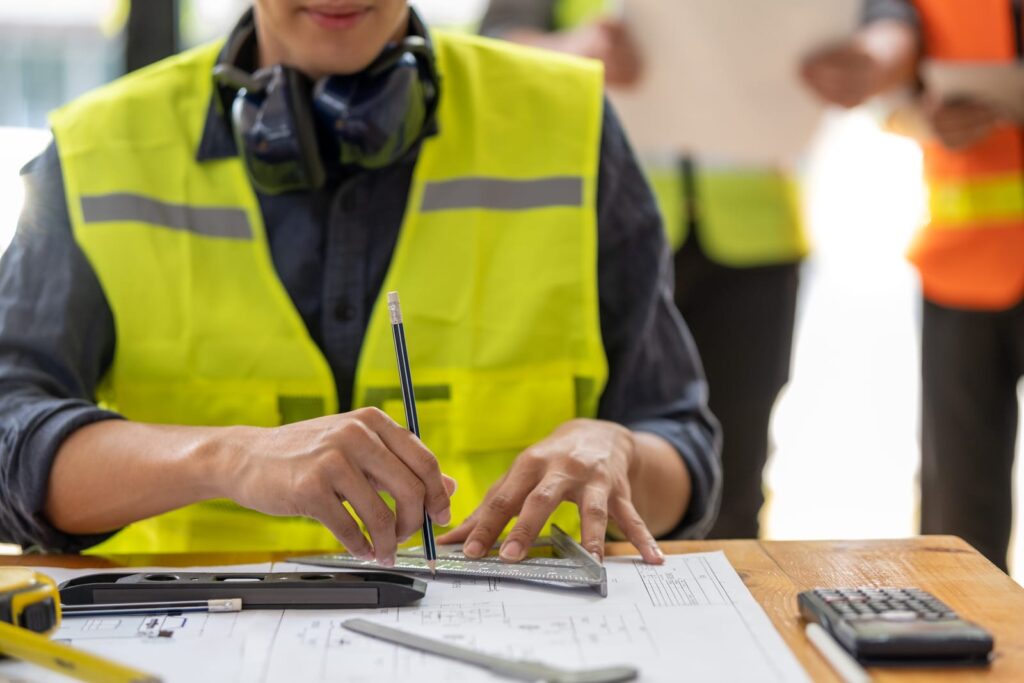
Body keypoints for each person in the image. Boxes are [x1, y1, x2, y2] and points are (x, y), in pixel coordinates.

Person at [0, 0, 720, 566]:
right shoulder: (102, 147)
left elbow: (680, 446)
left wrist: (617, 454)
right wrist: (227, 456)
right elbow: (9, 435)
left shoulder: (568, 123)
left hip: (514, 631)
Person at [481, 0, 810, 539]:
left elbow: (872, 19)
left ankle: (721, 609)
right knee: (594, 459)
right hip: (602, 225)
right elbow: (490, 43)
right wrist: (573, 52)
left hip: (756, 232)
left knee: (738, 465)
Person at [804, 1, 1024, 572]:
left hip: (970, 269)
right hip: (965, 268)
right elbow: (890, 81)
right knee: (960, 518)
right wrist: (928, 117)